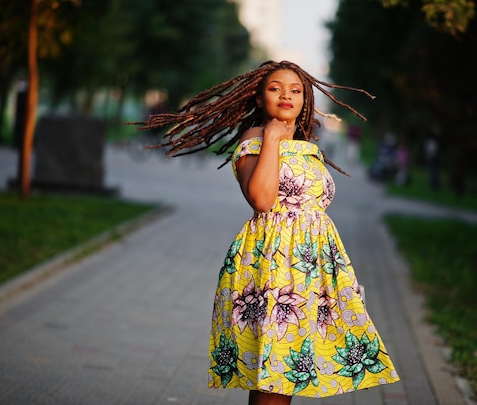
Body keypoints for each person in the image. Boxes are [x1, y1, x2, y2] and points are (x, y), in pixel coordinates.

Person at [131, 61, 400, 405]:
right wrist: (272, 138)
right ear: (259, 98)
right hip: (273, 265)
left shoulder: (306, 141)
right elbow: (261, 199)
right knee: (273, 377)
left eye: (296, 90)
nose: (286, 95)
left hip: (311, 267)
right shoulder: (256, 138)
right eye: (275, 88)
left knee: (286, 375)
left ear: (305, 100)